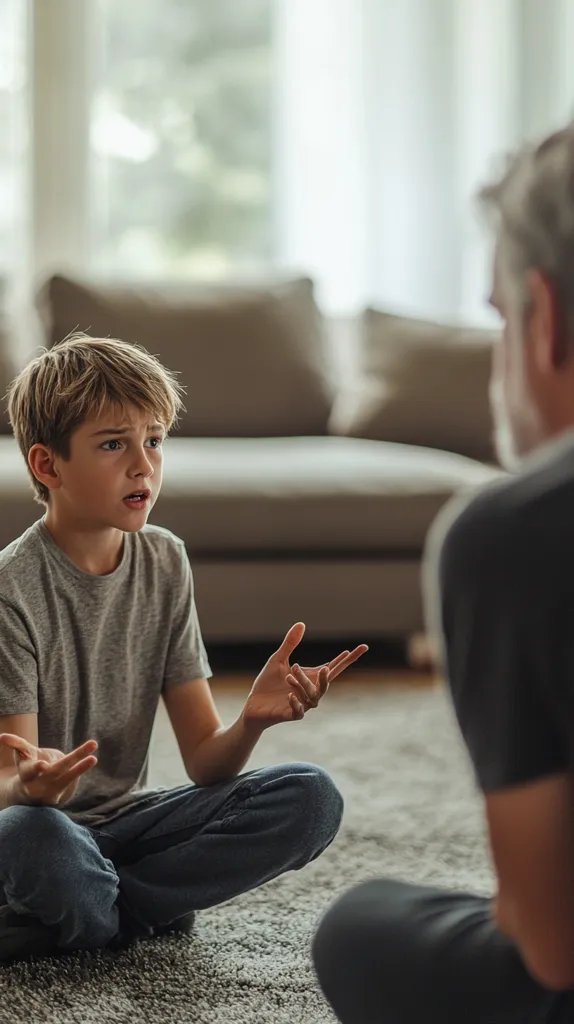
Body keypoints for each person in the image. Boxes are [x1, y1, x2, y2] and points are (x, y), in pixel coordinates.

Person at [313, 122, 574, 1024]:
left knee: (359, 926)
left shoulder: (515, 535)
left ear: (543, 317)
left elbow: (552, 941)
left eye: (498, 319)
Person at [0, 333, 368, 963]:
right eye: (114, 444)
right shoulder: (11, 588)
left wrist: (251, 720)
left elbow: (205, 764)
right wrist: (30, 786)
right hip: (42, 830)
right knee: (29, 837)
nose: (143, 465)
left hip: (129, 830)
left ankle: (92, 917)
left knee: (311, 797)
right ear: (47, 465)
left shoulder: (166, 560)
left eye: (154, 440)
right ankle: (131, 908)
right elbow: (9, 783)